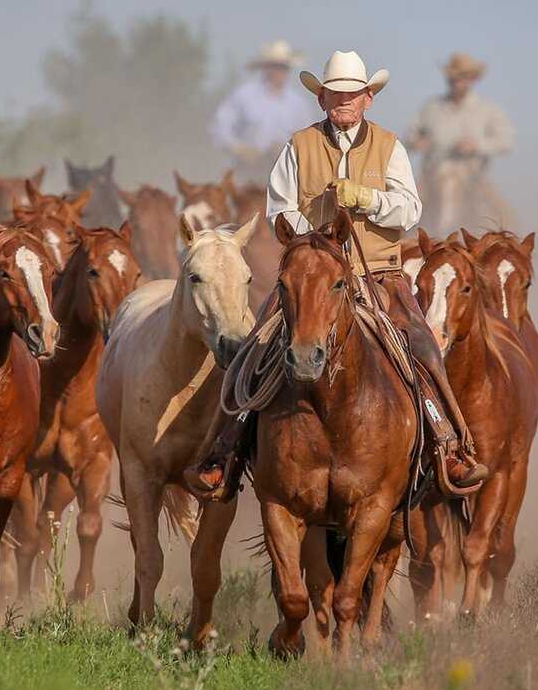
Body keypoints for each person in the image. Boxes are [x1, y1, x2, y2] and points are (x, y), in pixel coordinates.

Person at [185, 49, 488, 501]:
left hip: (379, 274)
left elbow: (410, 209)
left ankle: (449, 444)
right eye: (335, 94)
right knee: (258, 347)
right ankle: (223, 452)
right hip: (312, 275)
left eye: (352, 94)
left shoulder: (390, 146)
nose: (343, 101)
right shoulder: (298, 146)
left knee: (423, 346)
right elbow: (279, 210)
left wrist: (367, 198)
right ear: (322, 98)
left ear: (368, 99)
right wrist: (316, 241)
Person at [408, 53, 515, 235]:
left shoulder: (487, 110)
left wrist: (477, 145)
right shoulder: (431, 107)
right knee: (403, 213)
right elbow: (411, 135)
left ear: (473, 79)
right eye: (453, 77)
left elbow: (506, 141)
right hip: (432, 175)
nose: (457, 81)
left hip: (472, 176)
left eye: (463, 77)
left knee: (505, 220)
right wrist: (417, 141)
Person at [209, 40, 316, 183]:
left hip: (284, 175)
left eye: (283, 67)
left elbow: (308, 140)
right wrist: (240, 149)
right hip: (245, 171)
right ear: (266, 67)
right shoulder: (243, 95)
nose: (280, 71)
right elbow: (219, 127)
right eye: (276, 66)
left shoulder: (297, 104)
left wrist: (286, 150)